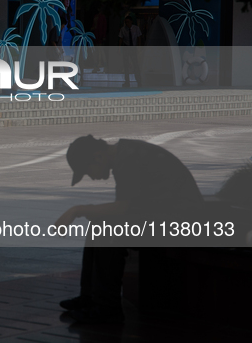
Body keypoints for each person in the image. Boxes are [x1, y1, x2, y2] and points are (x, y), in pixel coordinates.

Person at [56, 135, 204, 323]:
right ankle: (90, 297)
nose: (91, 177)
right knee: (100, 224)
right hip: (169, 217)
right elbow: (129, 207)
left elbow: (123, 208)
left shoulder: (129, 159)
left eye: (87, 171)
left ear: (98, 157)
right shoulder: (127, 154)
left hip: (183, 224)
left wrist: (77, 210)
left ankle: (107, 308)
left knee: (108, 228)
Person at [118, 16, 142, 87]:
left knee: (135, 64)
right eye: (126, 22)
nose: (127, 24)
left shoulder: (136, 28)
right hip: (126, 47)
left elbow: (139, 37)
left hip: (133, 48)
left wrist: (139, 47)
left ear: (131, 22)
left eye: (128, 22)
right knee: (126, 65)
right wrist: (119, 48)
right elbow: (121, 38)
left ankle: (139, 81)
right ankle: (127, 81)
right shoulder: (123, 29)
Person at [47, 17, 67, 89]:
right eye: (63, 25)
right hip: (53, 54)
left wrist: (61, 49)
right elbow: (53, 41)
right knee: (55, 68)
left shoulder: (58, 31)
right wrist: (56, 49)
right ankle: (56, 83)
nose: (63, 27)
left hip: (56, 53)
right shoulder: (55, 30)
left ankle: (56, 83)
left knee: (56, 68)